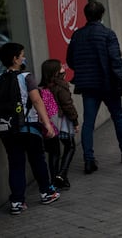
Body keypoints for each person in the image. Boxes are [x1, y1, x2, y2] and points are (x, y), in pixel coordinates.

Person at [66, 1, 122, 174]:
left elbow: (70, 60)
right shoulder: (107, 34)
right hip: (108, 84)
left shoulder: (77, 35)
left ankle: (89, 160)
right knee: (118, 117)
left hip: (88, 85)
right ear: (101, 15)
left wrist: (84, 70)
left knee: (88, 123)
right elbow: (115, 62)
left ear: (86, 15)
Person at [0, 43, 60, 215]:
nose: (24, 57)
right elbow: (36, 100)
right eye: (22, 55)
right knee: (37, 160)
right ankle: (46, 192)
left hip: (8, 130)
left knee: (15, 163)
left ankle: (17, 201)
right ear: (15, 59)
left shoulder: (0, 79)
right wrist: (47, 123)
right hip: (28, 127)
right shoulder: (26, 77)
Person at [39, 59, 79, 189]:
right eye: (60, 67)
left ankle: (54, 180)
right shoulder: (61, 86)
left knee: (54, 152)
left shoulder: (43, 88)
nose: (63, 68)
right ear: (55, 72)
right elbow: (68, 106)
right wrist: (75, 121)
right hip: (61, 122)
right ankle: (61, 174)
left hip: (48, 123)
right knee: (70, 146)